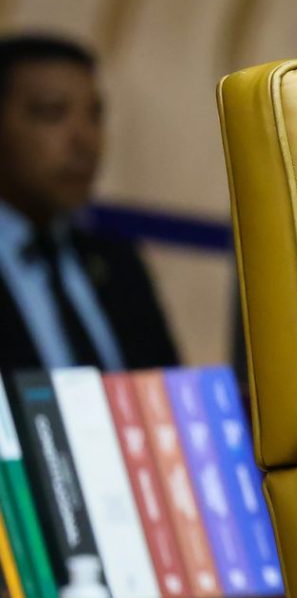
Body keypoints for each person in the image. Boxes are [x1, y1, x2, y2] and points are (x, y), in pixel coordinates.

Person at [0, 33, 179, 373]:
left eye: (94, 116)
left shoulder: (117, 259)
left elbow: (168, 390)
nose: (85, 140)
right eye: (52, 114)